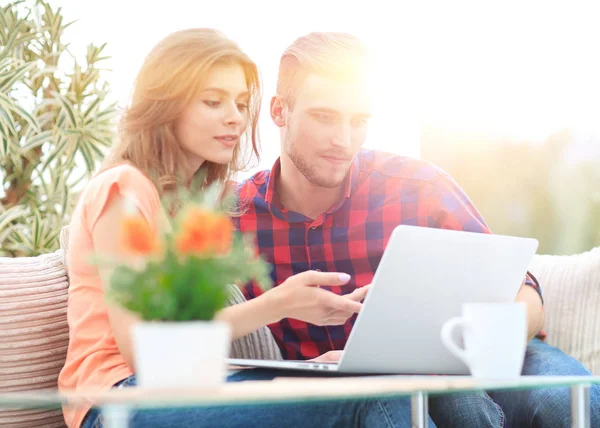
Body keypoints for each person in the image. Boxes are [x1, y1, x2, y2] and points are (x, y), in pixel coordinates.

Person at [58, 28, 432, 428]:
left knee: (367, 382)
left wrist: (297, 374)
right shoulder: (124, 189)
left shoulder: (190, 209)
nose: (235, 117)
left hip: (185, 388)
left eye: (240, 102)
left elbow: (187, 344)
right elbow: (144, 351)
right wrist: (279, 304)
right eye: (213, 101)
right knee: (371, 399)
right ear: (165, 104)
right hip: (117, 401)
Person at [235, 31, 600, 428]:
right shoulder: (237, 219)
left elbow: (524, 290)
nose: (343, 140)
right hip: (353, 392)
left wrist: (488, 343)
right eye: (324, 117)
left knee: (567, 401)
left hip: (482, 363)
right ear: (279, 111)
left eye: (358, 121)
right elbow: (188, 327)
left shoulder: (416, 187)